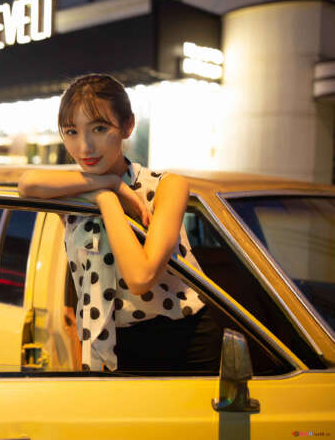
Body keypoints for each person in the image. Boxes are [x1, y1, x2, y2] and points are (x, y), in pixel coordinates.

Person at [18, 74, 221, 373]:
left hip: (184, 340)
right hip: (111, 344)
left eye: (99, 128)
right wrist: (110, 188)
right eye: (72, 131)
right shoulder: (74, 189)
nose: (84, 146)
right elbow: (26, 184)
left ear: (127, 126)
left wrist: (107, 201)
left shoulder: (166, 186)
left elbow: (141, 277)